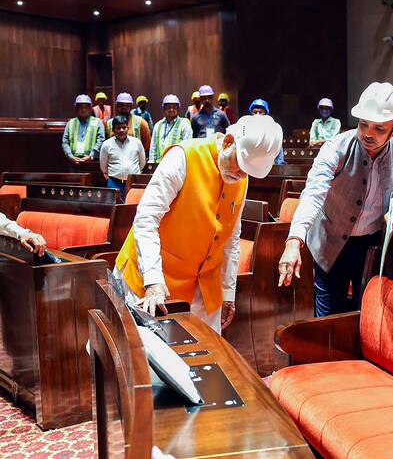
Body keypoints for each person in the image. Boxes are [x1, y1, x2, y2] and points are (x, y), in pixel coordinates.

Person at [113, 115, 282, 332]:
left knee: (207, 357)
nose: (241, 175)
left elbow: (231, 238)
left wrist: (228, 292)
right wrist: (153, 281)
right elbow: (146, 219)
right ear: (228, 141)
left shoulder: (241, 177)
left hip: (203, 286)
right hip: (152, 278)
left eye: (248, 171)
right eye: (240, 164)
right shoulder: (183, 157)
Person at [277, 82, 393, 317]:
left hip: (371, 246)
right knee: (328, 321)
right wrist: (294, 240)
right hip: (330, 240)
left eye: (379, 128)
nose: (367, 134)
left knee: (364, 318)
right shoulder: (336, 147)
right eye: (363, 124)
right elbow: (313, 193)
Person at [100, 115, 147, 200]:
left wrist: (135, 172)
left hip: (133, 182)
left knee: (133, 206)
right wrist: (109, 177)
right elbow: (103, 165)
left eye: (124, 127)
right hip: (114, 182)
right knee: (115, 208)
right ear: (113, 130)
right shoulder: (106, 144)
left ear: (128, 128)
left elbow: (142, 162)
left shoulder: (136, 142)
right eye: (118, 128)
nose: (121, 130)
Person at [62, 94, 106, 166]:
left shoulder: (98, 122)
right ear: (76, 108)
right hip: (73, 160)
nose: (83, 109)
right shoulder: (71, 123)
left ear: (90, 108)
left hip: (92, 160)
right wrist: (70, 156)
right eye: (80, 107)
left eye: (86, 107)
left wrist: (91, 155)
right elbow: (65, 142)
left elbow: (101, 140)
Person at [149, 94, 193, 163]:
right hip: (159, 165)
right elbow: (153, 147)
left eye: (174, 107)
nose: (171, 110)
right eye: (168, 107)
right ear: (164, 109)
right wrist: (151, 163)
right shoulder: (158, 125)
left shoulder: (184, 124)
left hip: (176, 165)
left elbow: (187, 147)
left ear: (178, 109)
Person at [249, 98, 285, 165]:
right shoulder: (246, 127)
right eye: (255, 112)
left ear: (266, 113)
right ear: (251, 113)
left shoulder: (272, 128)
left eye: (260, 112)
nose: (257, 114)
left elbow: (278, 147)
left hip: (268, 163)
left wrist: (279, 164)